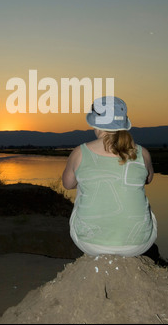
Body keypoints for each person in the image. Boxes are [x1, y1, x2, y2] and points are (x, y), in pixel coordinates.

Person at [62, 96, 157, 257]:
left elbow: (67, 184)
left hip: (90, 244)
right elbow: (148, 179)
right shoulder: (143, 153)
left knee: (82, 184)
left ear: (95, 122)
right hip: (138, 244)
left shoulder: (80, 152)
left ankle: (97, 233)